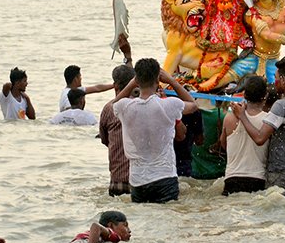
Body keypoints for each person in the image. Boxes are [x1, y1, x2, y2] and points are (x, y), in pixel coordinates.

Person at [112, 58, 198, 203]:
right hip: (165, 177)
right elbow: (193, 105)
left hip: (138, 180)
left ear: (137, 80)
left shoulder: (125, 107)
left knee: (141, 222)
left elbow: (112, 104)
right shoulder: (169, 105)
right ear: (158, 81)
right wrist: (173, 82)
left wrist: (132, 83)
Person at [232, 58, 285, 190]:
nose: (275, 83)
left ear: (284, 80)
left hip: (281, 171)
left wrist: (242, 116)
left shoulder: (281, 105)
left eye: (276, 78)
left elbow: (259, 138)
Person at [219, 75, 269, 195]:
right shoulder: (268, 120)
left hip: (232, 178)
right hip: (257, 178)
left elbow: (223, 145)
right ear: (265, 96)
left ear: (244, 95)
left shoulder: (229, 118)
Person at [99, 64, 136, 197]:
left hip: (118, 180)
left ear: (115, 85)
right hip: (143, 180)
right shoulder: (143, 105)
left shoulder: (109, 109)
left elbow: (105, 140)